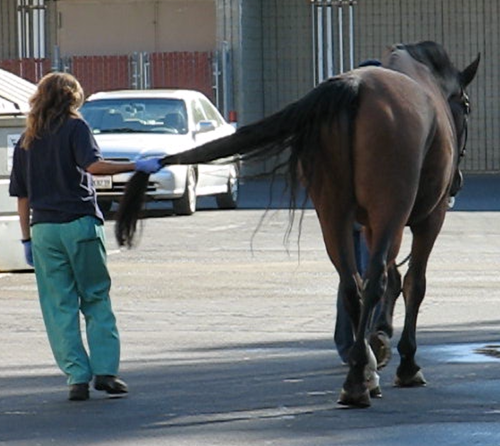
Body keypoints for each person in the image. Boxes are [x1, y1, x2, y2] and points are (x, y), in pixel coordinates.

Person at [9, 72, 162, 401]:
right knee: (95, 297)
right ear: (71, 98)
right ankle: (106, 372)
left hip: (43, 230)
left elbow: (21, 197)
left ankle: (76, 377)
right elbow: (93, 167)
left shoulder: (26, 140)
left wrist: (26, 239)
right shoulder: (75, 127)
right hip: (80, 224)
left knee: (58, 305)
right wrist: (135, 165)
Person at [334, 58, 381, 363]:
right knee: (370, 274)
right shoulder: (378, 124)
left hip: (342, 211)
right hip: (367, 214)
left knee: (348, 276)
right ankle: (366, 339)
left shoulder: (340, 117)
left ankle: (346, 342)